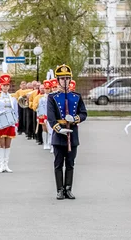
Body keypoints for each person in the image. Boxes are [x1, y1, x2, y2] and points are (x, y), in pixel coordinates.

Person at [47, 64, 87, 200]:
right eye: (62, 78)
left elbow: (83, 113)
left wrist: (76, 119)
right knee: (58, 163)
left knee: (70, 163)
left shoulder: (76, 96)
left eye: (67, 78)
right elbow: (51, 117)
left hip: (72, 132)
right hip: (59, 134)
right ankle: (59, 189)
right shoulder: (52, 97)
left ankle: (68, 188)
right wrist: (58, 128)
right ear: (58, 80)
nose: (65, 81)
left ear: (70, 80)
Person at [0, 73, 18, 173]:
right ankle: (1, 164)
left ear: (9, 86)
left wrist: (16, 125)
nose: (5, 87)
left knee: (8, 145)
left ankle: (6, 164)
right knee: (1, 144)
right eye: (3, 85)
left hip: (10, 123)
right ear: (1, 86)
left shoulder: (13, 99)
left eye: (7, 85)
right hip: (0, 123)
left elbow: (16, 112)